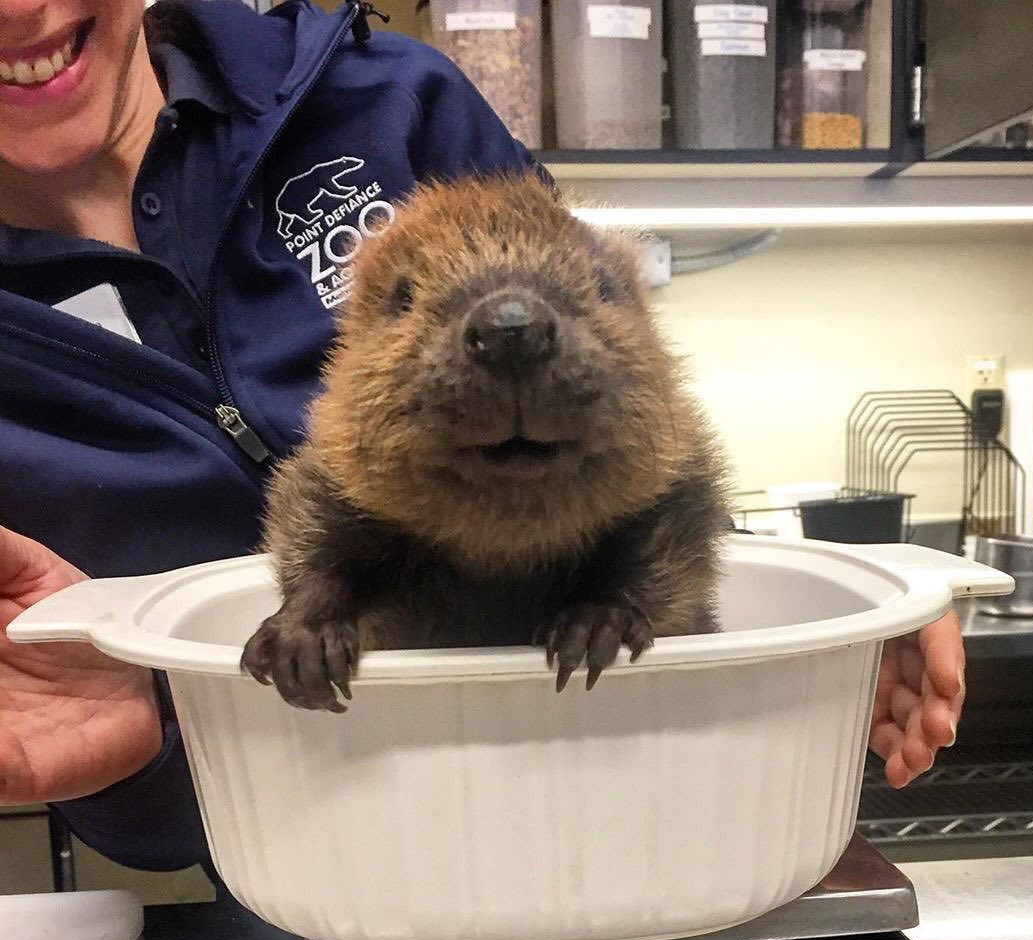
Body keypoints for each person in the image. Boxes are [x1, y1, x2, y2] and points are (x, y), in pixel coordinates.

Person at [0, 0, 965, 875]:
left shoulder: (389, 98)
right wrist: (147, 737)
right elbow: (317, 512)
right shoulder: (336, 497)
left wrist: (832, 635)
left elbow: (661, 466)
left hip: (637, 810)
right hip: (301, 852)